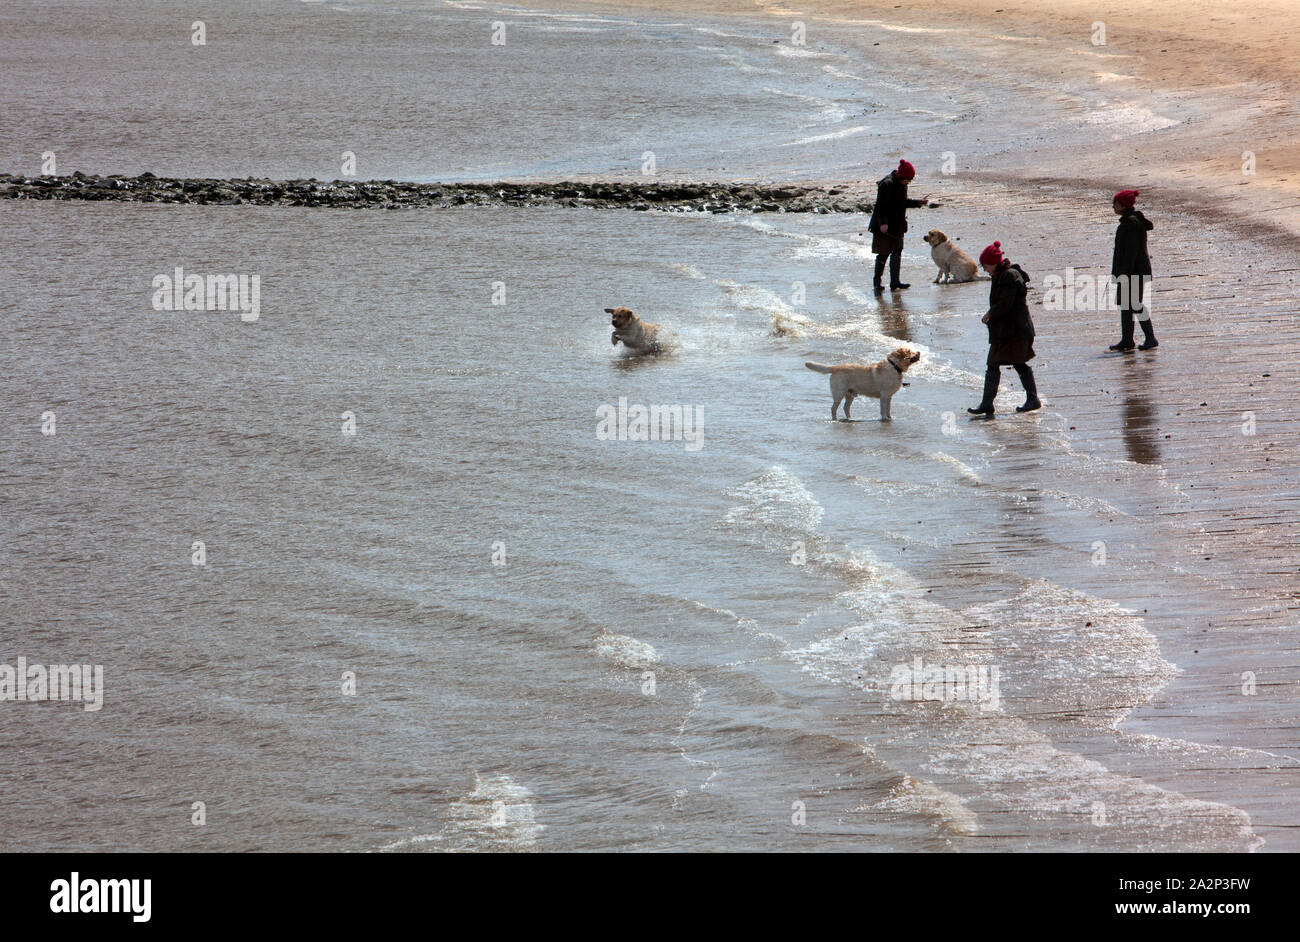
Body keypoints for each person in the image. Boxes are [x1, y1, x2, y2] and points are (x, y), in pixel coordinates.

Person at [968, 241, 1041, 416]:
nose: (984, 269)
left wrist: (990, 314)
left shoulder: (1008, 276)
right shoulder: (1001, 275)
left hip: (1015, 331)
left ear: (993, 263)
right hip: (1007, 331)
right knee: (999, 363)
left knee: (1015, 363)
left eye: (985, 265)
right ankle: (988, 403)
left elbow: (1005, 304)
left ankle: (1032, 399)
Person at [867, 159, 929, 292]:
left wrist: (918, 202)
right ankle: (877, 282)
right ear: (902, 176)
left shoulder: (902, 184)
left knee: (897, 253)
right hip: (883, 226)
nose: (909, 182)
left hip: (898, 225)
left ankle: (895, 282)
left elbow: (902, 202)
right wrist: (883, 223)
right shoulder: (886, 184)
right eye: (908, 180)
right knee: (883, 255)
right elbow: (880, 206)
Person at [1109, 188, 1157, 351]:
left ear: (1122, 205)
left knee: (1135, 304)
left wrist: (1123, 274)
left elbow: (1131, 253)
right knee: (1126, 305)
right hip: (1134, 271)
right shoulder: (1131, 222)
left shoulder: (1130, 224)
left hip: (1133, 272)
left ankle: (1150, 338)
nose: (1113, 207)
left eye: (1114, 203)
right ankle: (1127, 340)